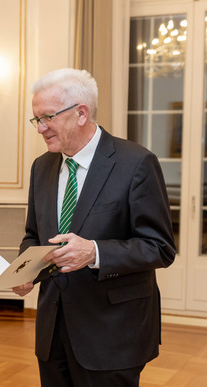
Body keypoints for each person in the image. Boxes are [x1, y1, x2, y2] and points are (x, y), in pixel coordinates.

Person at [13, 68, 176, 386]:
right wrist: (24, 270)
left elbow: (160, 247)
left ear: (80, 113)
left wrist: (94, 252)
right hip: (52, 330)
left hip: (112, 332)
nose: (40, 128)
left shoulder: (136, 163)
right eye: (36, 119)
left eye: (47, 117)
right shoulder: (41, 167)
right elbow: (34, 234)